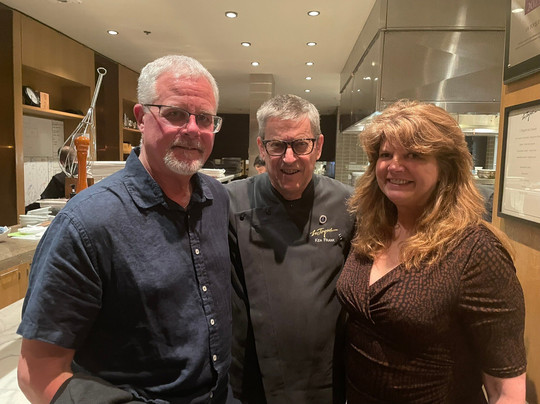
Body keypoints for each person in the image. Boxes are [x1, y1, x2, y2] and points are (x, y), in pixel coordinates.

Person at [17, 55, 239, 404]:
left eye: (205, 118)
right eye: (175, 114)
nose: (193, 129)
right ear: (141, 117)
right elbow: (36, 373)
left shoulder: (217, 199)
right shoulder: (86, 223)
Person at [336, 100, 526, 403]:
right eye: (386, 155)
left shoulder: (476, 251)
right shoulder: (371, 230)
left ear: (446, 167)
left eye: (413, 154)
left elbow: (506, 389)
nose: (394, 165)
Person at [226, 94, 355, 404]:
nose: (288, 158)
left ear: (318, 146)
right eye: (276, 145)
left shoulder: (349, 205)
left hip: (324, 377)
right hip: (251, 377)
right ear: (261, 147)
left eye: (300, 145)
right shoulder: (229, 201)